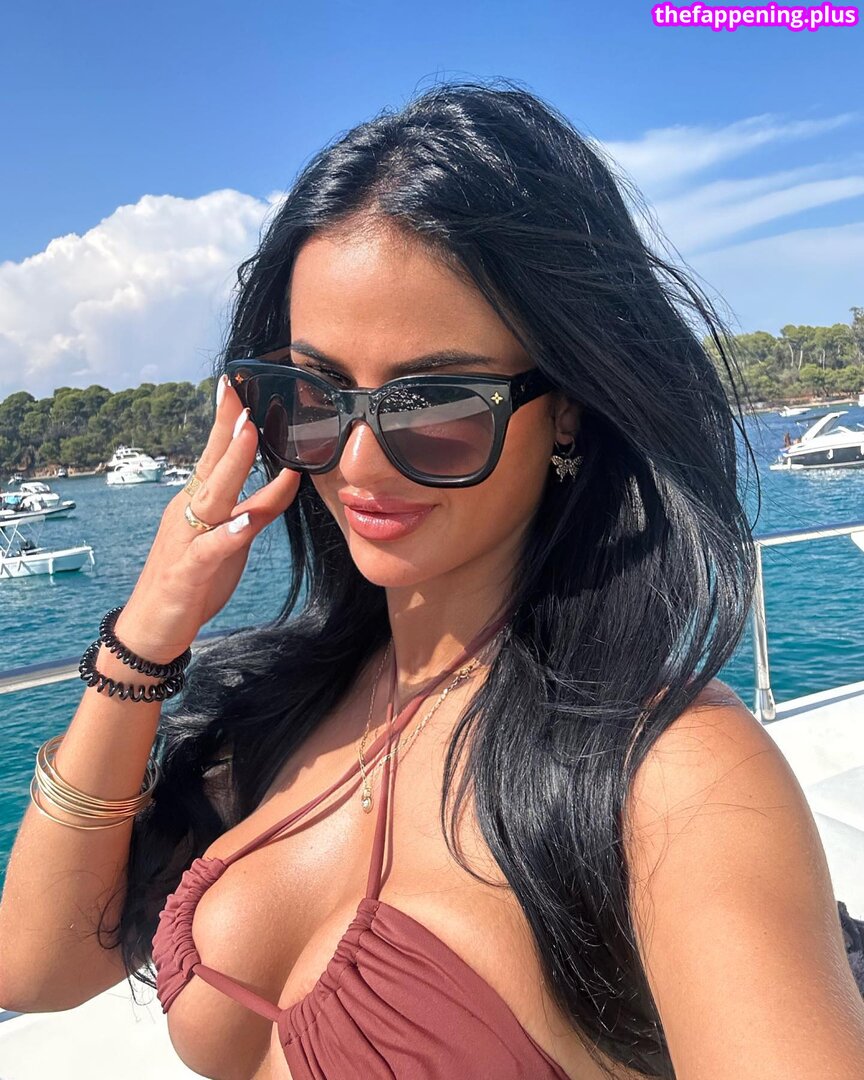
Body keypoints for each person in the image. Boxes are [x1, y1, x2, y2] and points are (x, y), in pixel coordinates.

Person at [2, 79, 863, 1080]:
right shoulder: (286, 717)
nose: (358, 462)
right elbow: (38, 965)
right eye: (313, 395)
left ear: (568, 407)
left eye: (436, 404)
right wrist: (151, 627)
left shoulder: (669, 780)